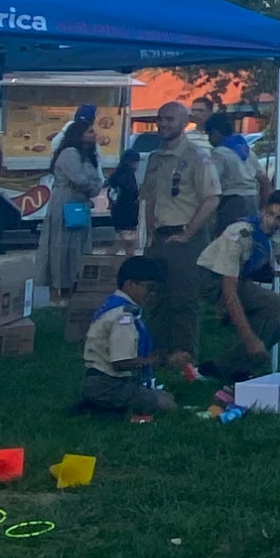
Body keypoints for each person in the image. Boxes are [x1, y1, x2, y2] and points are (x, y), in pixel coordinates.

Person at [196, 187, 280, 382]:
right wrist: (249, 338)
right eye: (269, 213)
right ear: (262, 209)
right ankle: (222, 367)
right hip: (211, 278)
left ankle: (236, 367)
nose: (271, 221)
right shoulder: (239, 233)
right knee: (269, 302)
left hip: (240, 278)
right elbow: (229, 291)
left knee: (275, 314)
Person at [140, 101, 219, 365]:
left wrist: (188, 233)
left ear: (184, 122)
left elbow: (211, 198)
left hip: (186, 238)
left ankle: (185, 357)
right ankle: (159, 352)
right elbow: (149, 199)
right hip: (159, 238)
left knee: (184, 299)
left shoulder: (197, 157)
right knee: (156, 298)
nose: (162, 124)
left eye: (169, 119)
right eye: (160, 119)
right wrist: (149, 234)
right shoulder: (154, 158)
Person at [79, 255, 176, 415]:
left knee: (166, 395)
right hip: (109, 384)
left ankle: (102, 405)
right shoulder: (123, 317)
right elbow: (120, 362)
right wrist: (152, 361)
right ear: (130, 284)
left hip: (96, 380)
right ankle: (107, 408)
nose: (151, 294)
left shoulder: (113, 304)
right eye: (148, 288)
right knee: (168, 405)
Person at [40, 115, 105, 297]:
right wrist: (92, 185)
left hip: (80, 203)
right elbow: (80, 179)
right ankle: (58, 285)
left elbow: (97, 182)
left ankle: (75, 282)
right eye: (90, 131)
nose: (94, 134)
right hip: (66, 203)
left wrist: (92, 185)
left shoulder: (88, 156)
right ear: (79, 135)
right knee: (62, 245)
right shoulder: (70, 153)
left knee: (78, 245)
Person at [206, 111, 261, 230]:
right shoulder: (248, 151)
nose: (209, 140)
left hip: (231, 203)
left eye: (208, 135)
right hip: (252, 201)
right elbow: (264, 180)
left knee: (229, 241)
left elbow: (212, 183)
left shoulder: (219, 152)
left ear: (215, 133)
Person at [106, 148, 143, 252]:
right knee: (129, 245)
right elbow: (131, 194)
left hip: (117, 213)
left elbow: (112, 193)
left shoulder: (116, 175)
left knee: (120, 243)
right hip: (128, 214)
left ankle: (109, 263)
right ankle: (125, 265)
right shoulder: (128, 176)